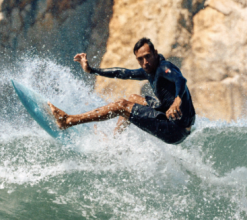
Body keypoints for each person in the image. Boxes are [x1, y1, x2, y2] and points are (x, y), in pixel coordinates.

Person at [48, 38, 196, 144]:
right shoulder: (149, 70)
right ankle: (116, 140)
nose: (145, 62)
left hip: (175, 130)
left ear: (155, 53)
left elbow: (180, 80)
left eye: (148, 57)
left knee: (121, 105)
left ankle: (69, 120)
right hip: (171, 117)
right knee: (132, 98)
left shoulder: (164, 67)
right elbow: (122, 73)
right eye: (140, 59)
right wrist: (91, 70)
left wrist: (177, 100)